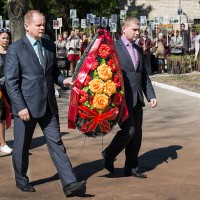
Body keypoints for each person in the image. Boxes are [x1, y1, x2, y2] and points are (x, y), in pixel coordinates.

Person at [5, 10, 86, 196]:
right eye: (38, 25)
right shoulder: (15, 49)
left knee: (56, 142)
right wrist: (20, 107)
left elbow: (53, 72)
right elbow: (11, 82)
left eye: (43, 24)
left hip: (49, 105)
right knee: (21, 147)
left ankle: (69, 183)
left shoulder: (49, 45)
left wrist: (63, 81)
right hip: (26, 108)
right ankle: (21, 179)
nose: (42, 27)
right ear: (27, 26)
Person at [102, 16, 157, 178]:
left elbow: (143, 75)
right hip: (122, 100)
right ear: (124, 29)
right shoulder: (113, 48)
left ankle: (131, 167)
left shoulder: (138, 49)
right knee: (129, 131)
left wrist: (150, 95)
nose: (137, 33)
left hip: (137, 99)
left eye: (138, 30)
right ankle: (109, 154)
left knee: (137, 135)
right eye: (134, 29)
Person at [0, 28, 12, 154]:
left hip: (9, 88)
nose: (5, 40)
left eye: (7, 38)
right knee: (1, 115)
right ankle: (3, 144)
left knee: (5, 115)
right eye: (3, 38)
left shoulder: (12, 52)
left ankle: (3, 143)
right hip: (0, 90)